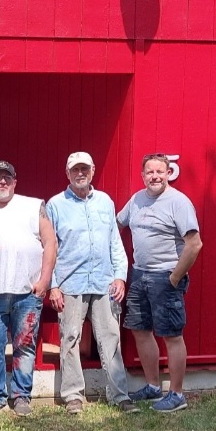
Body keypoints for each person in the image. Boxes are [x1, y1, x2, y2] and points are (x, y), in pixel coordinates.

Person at [0, 160, 57, 416]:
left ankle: (21, 396)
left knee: (24, 346)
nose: (2, 182)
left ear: (15, 182)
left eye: (7, 178)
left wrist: (45, 280)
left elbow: (50, 243)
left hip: (28, 291)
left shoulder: (33, 205)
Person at [45, 152, 131, 413]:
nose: (80, 173)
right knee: (70, 337)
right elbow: (49, 246)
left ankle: (119, 395)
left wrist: (120, 275)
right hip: (70, 283)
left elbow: (114, 241)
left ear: (93, 171)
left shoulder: (105, 201)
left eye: (84, 169)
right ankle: (73, 396)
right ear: (67, 173)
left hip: (104, 281)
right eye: (75, 170)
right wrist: (53, 284)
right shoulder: (55, 205)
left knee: (111, 338)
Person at [117, 153, 203, 412]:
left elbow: (194, 244)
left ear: (169, 173)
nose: (154, 176)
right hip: (139, 274)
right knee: (140, 329)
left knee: (172, 335)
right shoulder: (136, 200)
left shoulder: (178, 202)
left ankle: (176, 394)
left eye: (159, 172)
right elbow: (116, 225)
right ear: (142, 176)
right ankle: (154, 387)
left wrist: (174, 277)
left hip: (165, 276)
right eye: (149, 172)